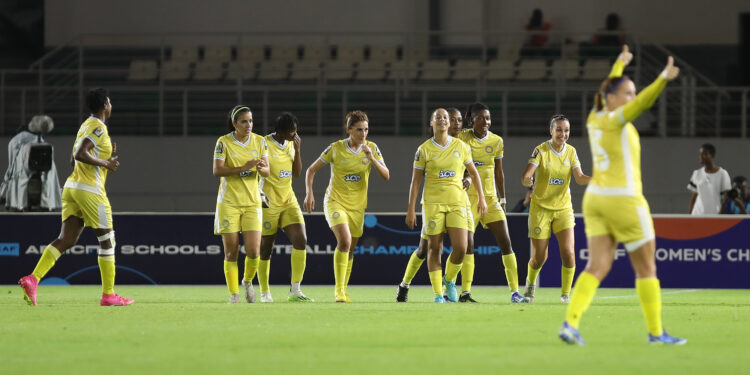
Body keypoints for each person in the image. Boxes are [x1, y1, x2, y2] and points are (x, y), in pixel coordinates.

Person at [559, 45, 686, 345]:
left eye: (633, 91)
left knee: (597, 266)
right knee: (646, 269)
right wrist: (662, 79)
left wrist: (618, 64)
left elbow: (609, 90)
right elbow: (643, 103)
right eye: (626, 92)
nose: (631, 96)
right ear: (613, 98)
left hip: (595, 199)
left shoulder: (593, 118)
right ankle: (656, 333)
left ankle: (570, 324)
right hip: (624, 200)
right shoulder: (616, 119)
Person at [18, 88, 133, 306]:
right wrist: (106, 163)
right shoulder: (98, 127)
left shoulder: (85, 126)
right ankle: (109, 295)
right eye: (109, 101)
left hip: (72, 186)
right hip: (89, 190)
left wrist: (103, 156)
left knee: (67, 239)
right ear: (106, 105)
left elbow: (73, 160)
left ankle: (33, 279)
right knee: (107, 239)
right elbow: (80, 154)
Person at [304, 110, 390, 302]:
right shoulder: (335, 148)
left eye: (366, 130)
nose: (363, 134)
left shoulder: (372, 148)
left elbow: (386, 175)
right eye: (359, 130)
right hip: (335, 202)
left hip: (357, 207)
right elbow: (311, 170)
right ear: (349, 129)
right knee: (344, 241)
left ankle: (343, 288)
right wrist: (309, 193)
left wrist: (372, 158)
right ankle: (338, 291)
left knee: (350, 249)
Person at [405, 108, 487, 303]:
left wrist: (482, 198)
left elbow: (473, 173)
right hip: (433, 203)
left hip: (457, 202)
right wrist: (411, 209)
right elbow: (415, 182)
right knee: (434, 248)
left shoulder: (461, 146)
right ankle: (437, 294)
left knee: (461, 247)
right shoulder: (423, 149)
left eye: (445, 117)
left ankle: (449, 280)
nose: (442, 120)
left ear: (449, 124)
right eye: (438, 117)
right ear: (432, 123)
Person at [458, 102, 528, 303]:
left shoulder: (497, 141)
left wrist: (503, 199)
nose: (486, 122)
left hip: (490, 198)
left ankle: (515, 293)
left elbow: (499, 172)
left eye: (488, 118)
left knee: (506, 242)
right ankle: (465, 292)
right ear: (472, 120)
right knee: (467, 246)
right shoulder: (462, 138)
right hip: (467, 198)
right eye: (481, 118)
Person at [521, 114, 590, 303]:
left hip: (563, 208)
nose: (563, 134)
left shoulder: (571, 152)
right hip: (540, 209)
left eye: (566, 130)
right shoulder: (540, 150)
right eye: (558, 129)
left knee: (568, 253)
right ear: (551, 131)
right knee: (539, 258)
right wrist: (528, 179)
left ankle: (566, 295)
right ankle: (530, 286)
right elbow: (526, 175)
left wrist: (599, 180)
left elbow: (580, 177)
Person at [213, 105, 270, 304]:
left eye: (251, 121)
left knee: (254, 251)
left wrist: (262, 168)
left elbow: (267, 171)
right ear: (235, 123)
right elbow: (217, 171)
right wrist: (242, 168)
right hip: (229, 203)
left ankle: (247, 281)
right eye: (244, 121)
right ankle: (234, 294)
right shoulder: (224, 142)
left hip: (253, 203)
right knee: (231, 252)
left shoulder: (260, 141)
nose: (249, 125)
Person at [255, 112, 312, 302]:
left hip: (288, 200)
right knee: (266, 248)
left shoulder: (291, 144)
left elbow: (296, 173)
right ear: (283, 131)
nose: (296, 135)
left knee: (301, 240)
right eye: (293, 131)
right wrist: (258, 194)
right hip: (267, 203)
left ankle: (295, 290)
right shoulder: (263, 143)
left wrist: (298, 149)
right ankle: (264, 292)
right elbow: (256, 171)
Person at [1, 115, 61, 211]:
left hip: (24, 185)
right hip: (43, 189)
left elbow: (11, 167)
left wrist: (5, 190)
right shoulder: (44, 144)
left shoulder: (17, 141)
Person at [687, 143, 731, 215]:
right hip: (697, 214)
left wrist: (721, 213)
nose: (700, 156)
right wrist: (689, 215)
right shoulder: (697, 173)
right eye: (700, 154)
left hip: (714, 215)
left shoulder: (723, 174)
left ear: (712, 156)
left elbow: (725, 197)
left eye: (704, 154)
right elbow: (694, 196)